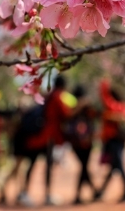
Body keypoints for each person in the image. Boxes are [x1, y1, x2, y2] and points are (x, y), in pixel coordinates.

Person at [22, 74, 76, 206]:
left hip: (39, 137)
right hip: (47, 137)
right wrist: (79, 108)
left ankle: (25, 193)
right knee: (47, 166)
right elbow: (66, 114)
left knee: (33, 164)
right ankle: (45, 194)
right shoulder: (57, 96)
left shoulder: (50, 95)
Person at [95, 79, 125, 203]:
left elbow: (104, 97)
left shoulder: (114, 106)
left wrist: (104, 82)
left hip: (114, 140)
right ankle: (101, 192)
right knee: (114, 167)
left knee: (119, 166)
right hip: (119, 141)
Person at [65, 85, 99, 204]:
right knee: (84, 167)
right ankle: (93, 191)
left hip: (86, 142)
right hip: (77, 143)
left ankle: (82, 194)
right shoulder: (73, 107)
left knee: (84, 167)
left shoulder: (88, 108)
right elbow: (68, 117)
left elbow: (96, 115)